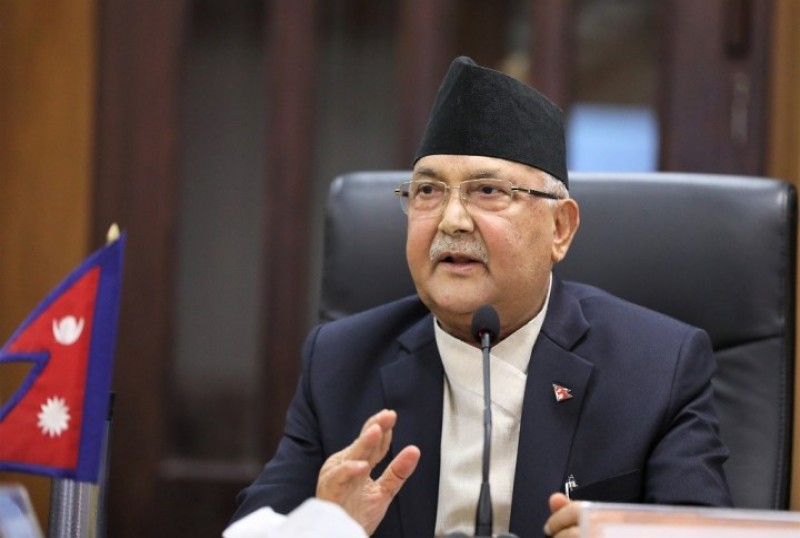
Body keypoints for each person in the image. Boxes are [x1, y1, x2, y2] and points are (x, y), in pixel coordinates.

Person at [230, 56, 732, 538]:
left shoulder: (658, 367)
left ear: (560, 228)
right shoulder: (340, 363)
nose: (451, 221)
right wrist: (325, 527)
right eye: (428, 192)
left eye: (488, 191)